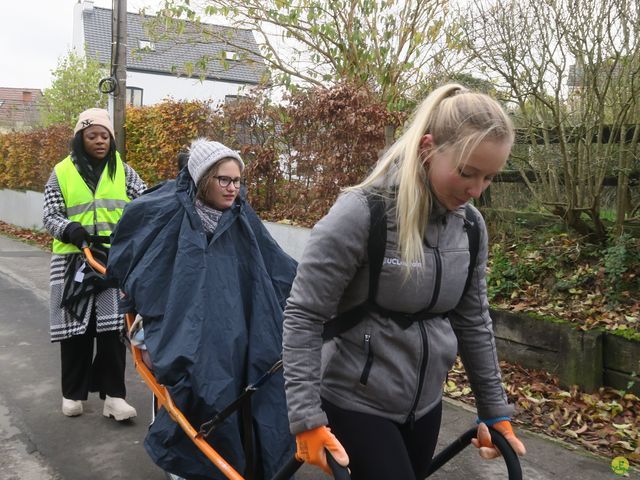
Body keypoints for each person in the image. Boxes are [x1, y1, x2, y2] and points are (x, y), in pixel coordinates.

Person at [282, 83, 527, 479]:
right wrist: (306, 417)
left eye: (489, 178)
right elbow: (304, 314)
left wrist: (494, 409)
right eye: (467, 173)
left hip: (425, 405)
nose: (476, 191)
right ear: (428, 149)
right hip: (355, 402)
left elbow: (473, 321)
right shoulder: (362, 214)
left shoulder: (470, 228)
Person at [107, 139, 297, 480]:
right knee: (191, 395)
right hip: (180, 335)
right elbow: (139, 276)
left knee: (245, 394)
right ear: (203, 178)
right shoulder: (165, 216)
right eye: (224, 180)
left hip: (234, 334)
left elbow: (276, 269)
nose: (232, 188)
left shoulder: (241, 219)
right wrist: (145, 339)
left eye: (237, 181)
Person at [43, 108, 146, 420]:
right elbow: (50, 214)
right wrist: (69, 228)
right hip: (71, 259)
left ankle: (114, 397)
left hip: (111, 261)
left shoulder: (124, 172)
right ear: (80, 138)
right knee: (76, 330)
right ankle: (71, 395)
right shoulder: (61, 172)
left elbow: (144, 205)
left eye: (105, 136)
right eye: (92, 136)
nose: (100, 141)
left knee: (113, 330)